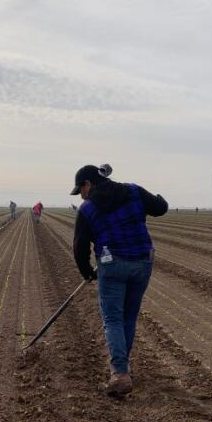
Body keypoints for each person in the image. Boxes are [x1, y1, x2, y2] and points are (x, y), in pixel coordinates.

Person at [71, 164, 168, 397]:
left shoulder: (87, 209)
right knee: (128, 315)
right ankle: (123, 367)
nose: (81, 195)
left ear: (88, 184)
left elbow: (80, 246)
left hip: (112, 265)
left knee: (113, 319)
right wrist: (158, 198)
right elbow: (160, 208)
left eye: (80, 190)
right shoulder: (133, 191)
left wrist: (87, 272)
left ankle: (120, 373)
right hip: (143, 263)